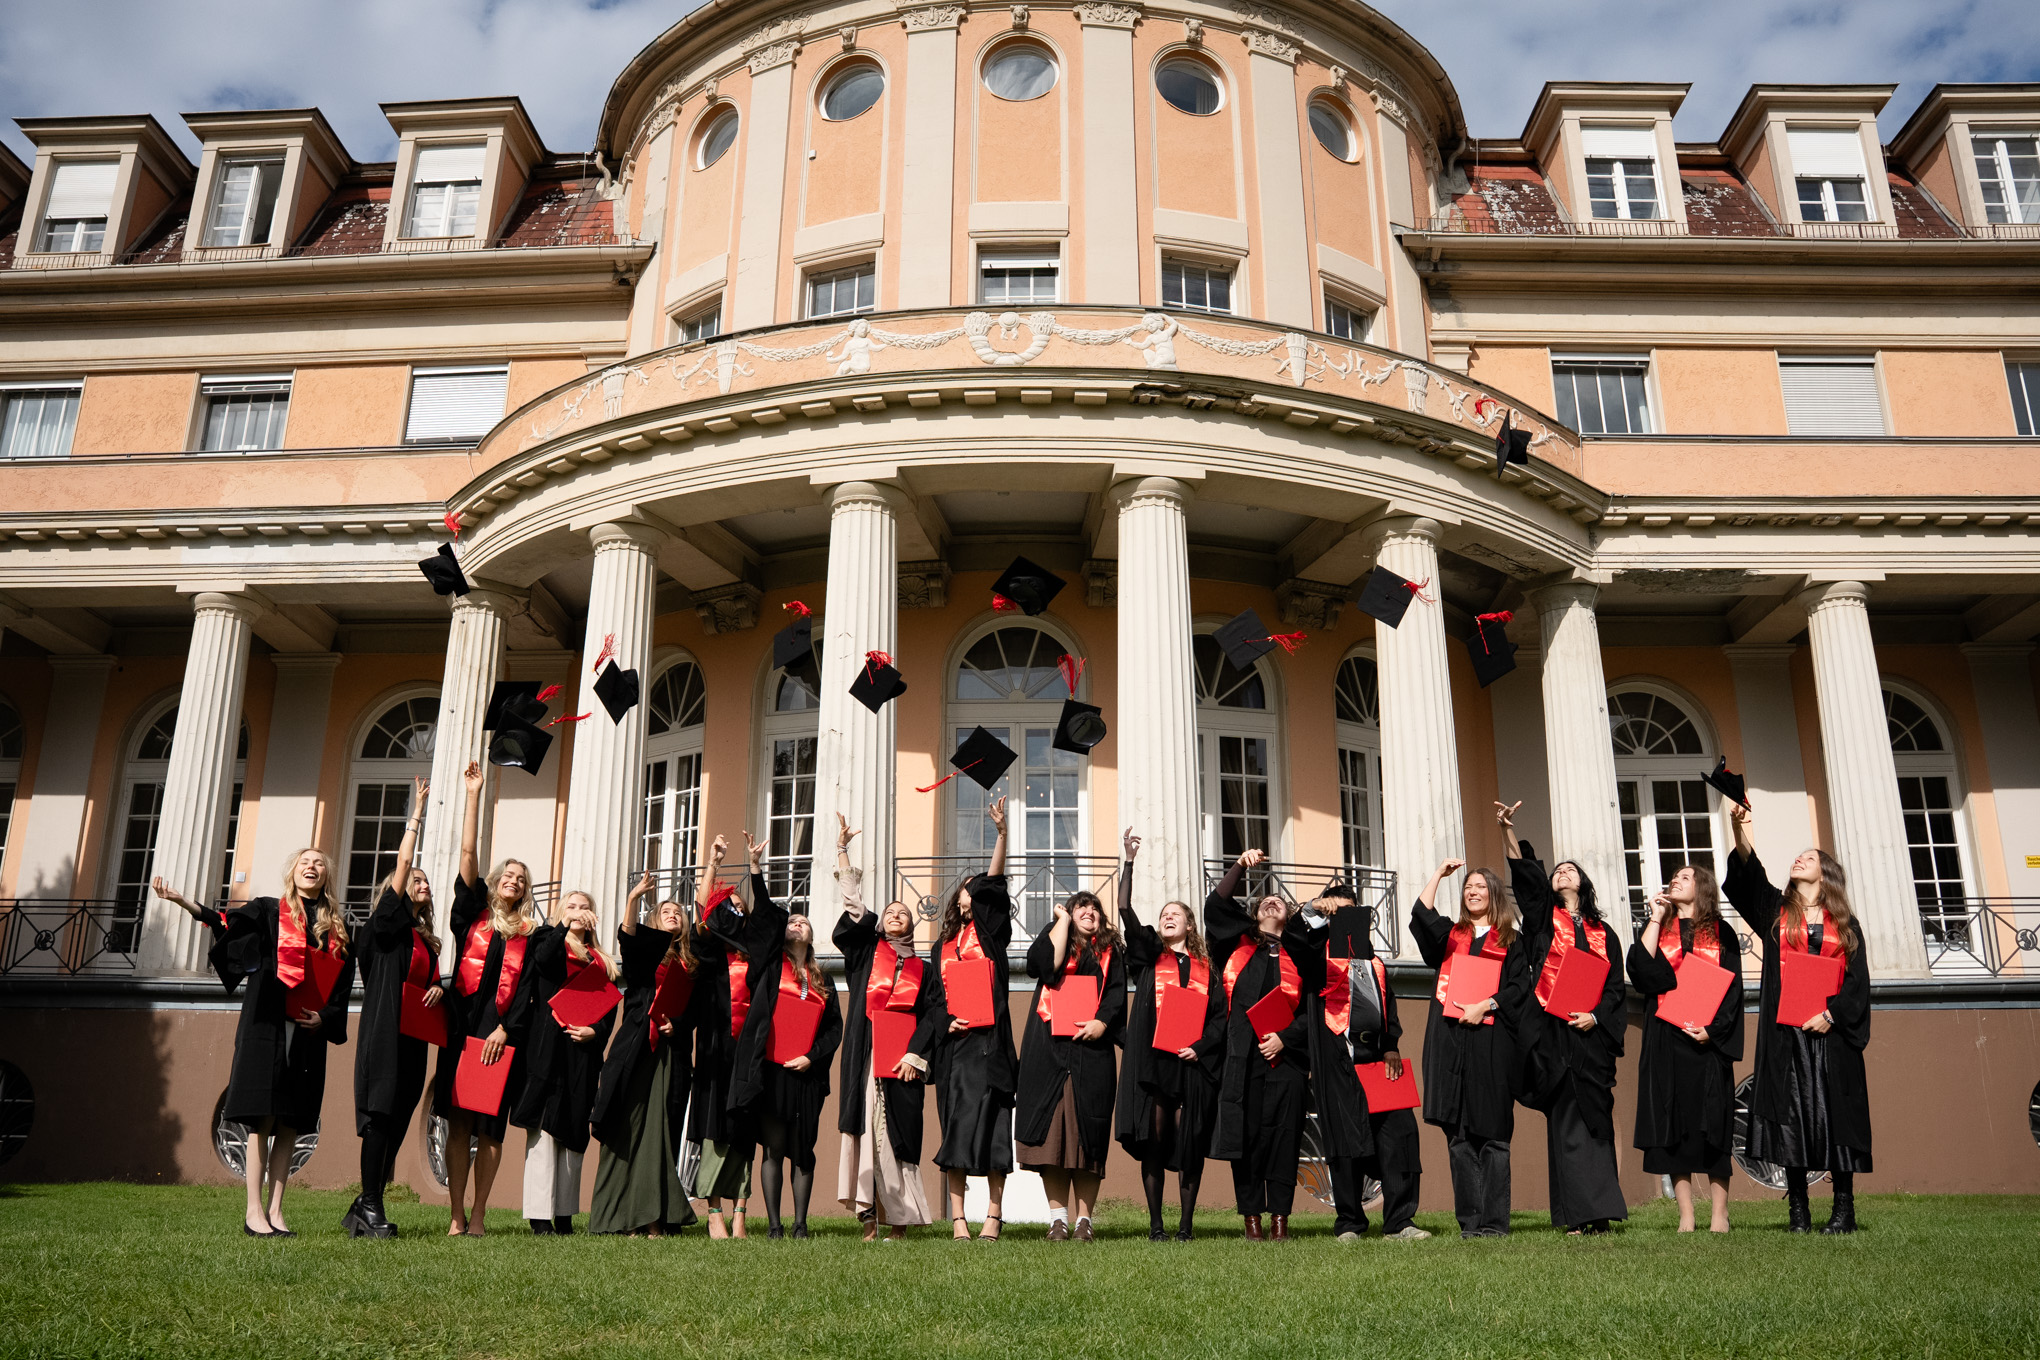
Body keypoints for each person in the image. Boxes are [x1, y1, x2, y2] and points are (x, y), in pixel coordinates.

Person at [161, 848, 354, 1237]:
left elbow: (342, 987)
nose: (312, 866)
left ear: (326, 875)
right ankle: (254, 1212)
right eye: (305, 862)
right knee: (262, 1117)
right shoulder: (269, 911)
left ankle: (276, 1212)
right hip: (267, 1024)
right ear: (293, 872)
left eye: (319, 862)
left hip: (307, 1032)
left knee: (291, 1121)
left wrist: (326, 1017)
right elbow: (227, 923)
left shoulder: (336, 929)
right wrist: (185, 903)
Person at [1724, 802, 1872, 1234]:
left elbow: (1857, 982)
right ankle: (1798, 1211)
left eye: (1808, 857)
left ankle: (1843, 1210)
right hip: (1786, 1035)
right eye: (1797, 857)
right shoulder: (1776, 912)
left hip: (1832, 1037)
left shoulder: (1845, 923)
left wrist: (1831, 1015)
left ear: (1826, 874)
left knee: (1836, 1118)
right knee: (1791, 1118)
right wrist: (1740, 830)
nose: (1798, 860)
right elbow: (1750, 879)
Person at [1501, 800, 1629, 1236]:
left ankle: (1600, 1212)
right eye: (1557, 871)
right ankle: (1577, 1215)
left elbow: (1615, 988)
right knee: (1566, 1121)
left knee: (1596, 1118)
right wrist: (1508, 832)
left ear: (1584, 883)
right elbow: (1526, 883)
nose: (1562, 872)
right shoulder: (1543, 921)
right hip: (1553, 1034)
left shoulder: (1604, 933)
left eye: (1570, 870)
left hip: (1590, 1036)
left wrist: (1596, 1017)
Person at [431, 760, 540, 1237]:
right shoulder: (472, 914)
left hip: (499, 1036)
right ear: (496, 881)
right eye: (508, 874)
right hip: (462, 1031)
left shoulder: (530, 935)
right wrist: (473, 795)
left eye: (521, 877)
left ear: (525, 889)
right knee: (458, 1124)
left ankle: (478, 1216)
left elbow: (527, 992)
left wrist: (504, 1030)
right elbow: (468, 852)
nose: (514, 880)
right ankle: (456, 1214)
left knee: (491, 1128)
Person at [718, 829, 843, 1240]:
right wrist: (755, 869)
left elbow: (834, 1029)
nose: (796, 924)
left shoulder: (824, 980)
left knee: (803, 1150)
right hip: (771, 1071)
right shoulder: (770, 967)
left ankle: (800, 1224)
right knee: (772, 1148)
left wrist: (812, 1057)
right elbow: (765, 917)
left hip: (805, 1073)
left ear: (811, 935)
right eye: (791, 921)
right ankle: (774, 1225)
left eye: (803, 921)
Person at [832, 814, 943, 1240]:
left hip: (904, 1061)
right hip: (868, 1053)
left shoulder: (924, 969)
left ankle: (899, 1218)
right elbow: (854, 908)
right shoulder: (867, 954)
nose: (896, 915)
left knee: (898, 1132)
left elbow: (934, 1014)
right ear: (879, 925)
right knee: (867, 1127)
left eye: (903, 913)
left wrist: (917, 1053)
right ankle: (869, 1216)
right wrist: (843, 852)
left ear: (912, 926)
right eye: (890, 912)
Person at [1112, 829, 1225, 1242]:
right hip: (1155, 1063)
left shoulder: (1207, 969)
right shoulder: (1149, 955)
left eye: (1176, 913)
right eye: (1164, 914)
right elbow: (1124, 908)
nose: (1168, 917)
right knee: (1154, 1142)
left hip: (1191, 1064)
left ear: (1189, 924)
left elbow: (1219, 1019)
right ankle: (1156, 1225)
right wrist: (1129, 861)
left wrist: (1200, 1047)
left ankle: (1186, 1226)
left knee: (1190, 1142)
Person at [1408, 855, 1529, 1239]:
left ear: (1494, 894)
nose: (1472, 892)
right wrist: (1438, 874)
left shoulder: (1511, 940)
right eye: (1468, 887)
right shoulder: (1451, 936)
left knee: (1492, 1134)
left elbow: (1519, 989)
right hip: (1450, 1043)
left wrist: (1486, 1005)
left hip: (1491, 1044)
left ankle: (1494, 1224)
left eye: (1480, 887)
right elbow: (1421, 913)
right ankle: (1470, 1224)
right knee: (1459, 1137)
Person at [1206, 847, 1323, 1242]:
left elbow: (1312, 1009)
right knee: (1248, 1140)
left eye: (1280, 901)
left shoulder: (1301, 954)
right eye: (1264, 901)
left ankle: (1280, 1221)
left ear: (1289, 916)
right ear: (1254, 915)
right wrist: (1240, 865)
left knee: (1284, 1139)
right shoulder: (1235, 946)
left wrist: (1285, 1039)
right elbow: (1215, 906)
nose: (1272, 901)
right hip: (1243, 1062)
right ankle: (1252, 1219)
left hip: (1287, 1062)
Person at [1301, 881, 1429, 1242]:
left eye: (1350, 911)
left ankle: (1400, 1222)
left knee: (1400, 1135)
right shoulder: (1317, 955)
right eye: (1336, 911)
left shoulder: (1374, 960)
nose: (1344, 918)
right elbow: (1298, 940)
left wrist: (1391, 1045)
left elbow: (1389, 1005)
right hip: (1339, 1059)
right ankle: (1350, 1223)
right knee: (1345, 1142)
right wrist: (1313, 908)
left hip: (1378, 1058)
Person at [342, 776, 440, 1238]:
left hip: (414, 1038)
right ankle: (371, 1205)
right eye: (415, 880)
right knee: (380, 1116)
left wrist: (439, 991)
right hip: (384, 1033)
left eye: (425, 880)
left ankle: (365, 1203)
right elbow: (402, 863)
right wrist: (416, 815)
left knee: (399, 1118)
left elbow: (426, 983)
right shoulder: (382, 929)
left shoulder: (425, 940)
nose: (422, 882)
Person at [1630, 863, 1745, 1233]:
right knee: (1673, 1126)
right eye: (1674, 877)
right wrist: (1655, 916)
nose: (1675, 880)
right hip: (1667, 1038)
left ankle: (1719, 1214)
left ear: (1703, 886)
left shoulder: (1722, 933)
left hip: (1707, 1042)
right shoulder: (1660, 928)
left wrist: (1714, 1031)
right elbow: (1641, 971)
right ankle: (1686, 1215)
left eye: (1685, 877)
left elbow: (1732, 989)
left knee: (1713, 1126)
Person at [589, 874, 700, 1236]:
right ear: (653, 920)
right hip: (637, 1051)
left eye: (678, 912)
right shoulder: (644, 956)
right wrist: (633, 898)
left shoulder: (691, 965)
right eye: (666, 911)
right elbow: (627, 938)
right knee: (629, 1126)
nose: (673, 915)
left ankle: (655, 1216)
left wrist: (676, 1025)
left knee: (660, 1131)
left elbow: (694, 1012)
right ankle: (621, 1216)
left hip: (671, 1055)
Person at [1017, 880, 1126, 1243]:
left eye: (1094, 908)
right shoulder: (1055, 938)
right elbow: (1043, 966)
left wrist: (1102, 1023)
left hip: (1092, 1052)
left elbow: (1116, 996)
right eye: (1081, 906)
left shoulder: (1111, 952)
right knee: (1052, 1138)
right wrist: (1061, 922)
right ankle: (1058, 1220)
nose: (1089, 911)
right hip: (1048, 1050)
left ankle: (1084, 1221)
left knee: (1087, 1137)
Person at [931, 795, 1014, 1242]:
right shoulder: (940, 947)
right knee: (956, 1131)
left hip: (990, 1044)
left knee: (996, 1130)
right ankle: (959, 1219)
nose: (975, 888)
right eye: (969, 885)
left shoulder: (990, 935)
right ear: (957, 898)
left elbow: (994, 883)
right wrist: (946, 1021)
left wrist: (1001, 835)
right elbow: (934, 999)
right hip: (956, 1048)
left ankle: (994, 1216)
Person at [511, 890, 616, 1235]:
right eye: (571, 907)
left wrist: (596, 1032)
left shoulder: (601, 960)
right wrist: (563, 925)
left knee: (574, 1127)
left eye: (584, 907)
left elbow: (608, 1008)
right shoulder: (548, 939)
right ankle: (540, 1217)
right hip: (547, 1047)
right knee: (544, 1129)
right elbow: (542, 961)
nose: (578, 912)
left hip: (582, 1051)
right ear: (560, 912)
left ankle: (565, 1214)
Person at [686, 834, 756, 1239]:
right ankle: (713, 1210)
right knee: (715, 1123)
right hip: (716, 1046)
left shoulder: (756, 956)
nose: (735, 910)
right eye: (729, 906)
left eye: (740, 907)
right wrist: (712, 864)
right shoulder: (711, 954)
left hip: (748, 1051)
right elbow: (702, 912)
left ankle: (740, 1211)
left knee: (744, 1124)